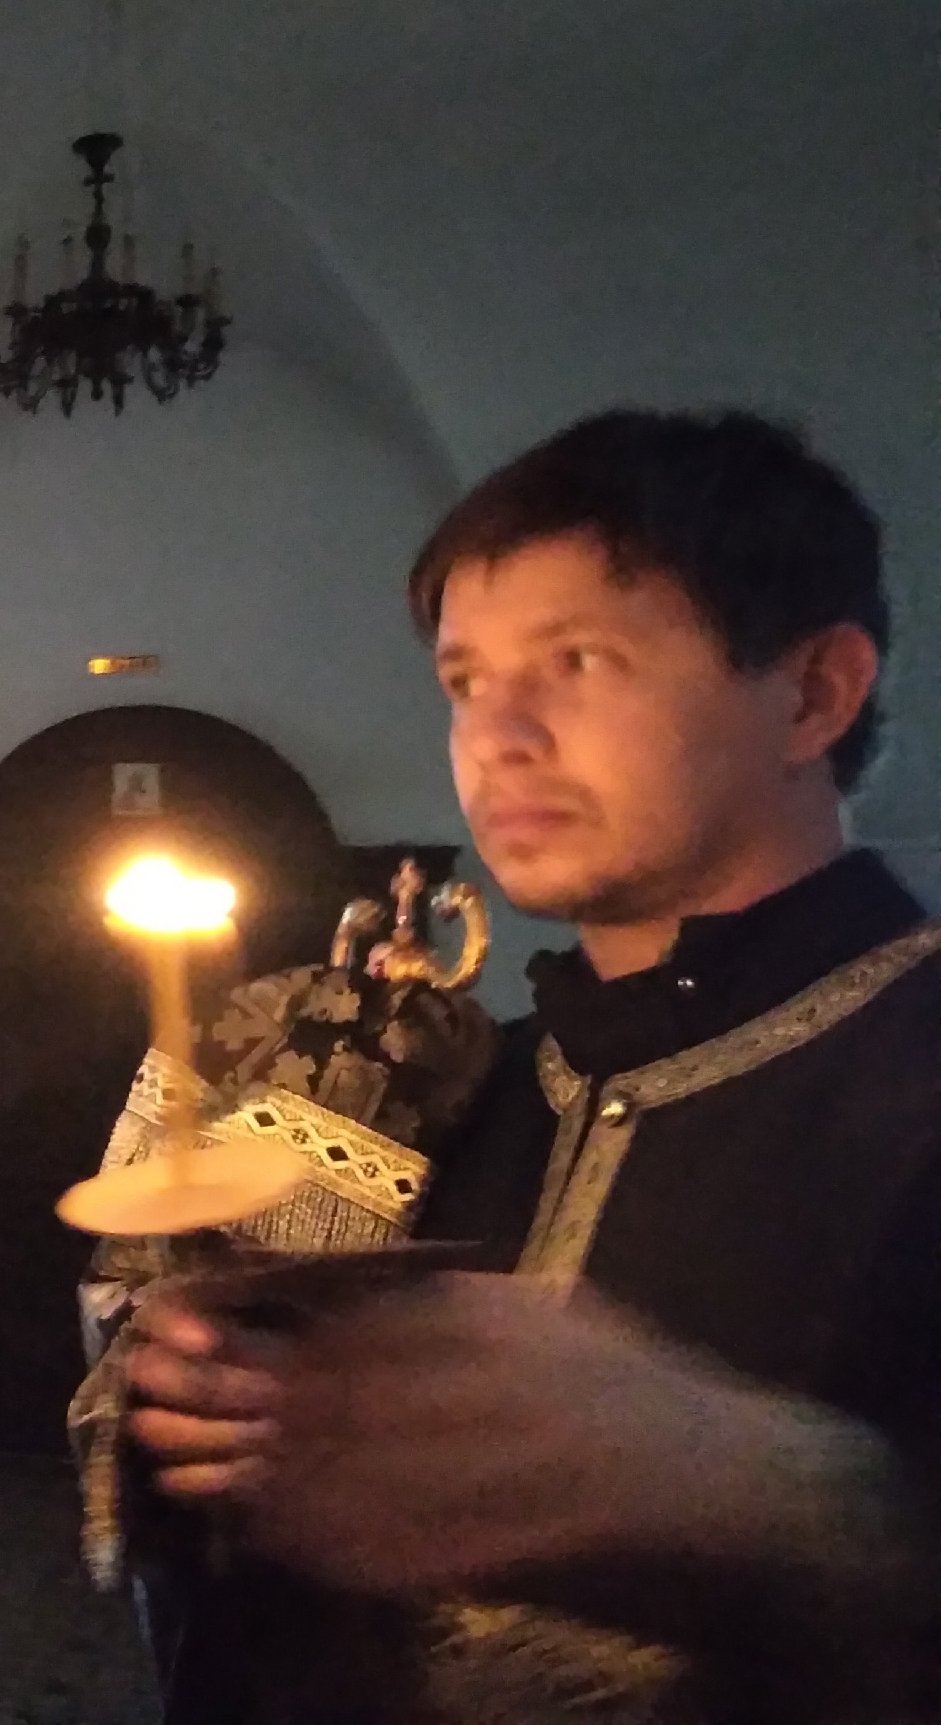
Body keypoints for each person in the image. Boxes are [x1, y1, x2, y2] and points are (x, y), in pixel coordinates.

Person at [123, 409, 941, 1721]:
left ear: (813, 694)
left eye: (579, 660)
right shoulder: (445, 1091)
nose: (496, 737)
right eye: (464, 681)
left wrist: (773, 1488)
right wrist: (211, 1414)